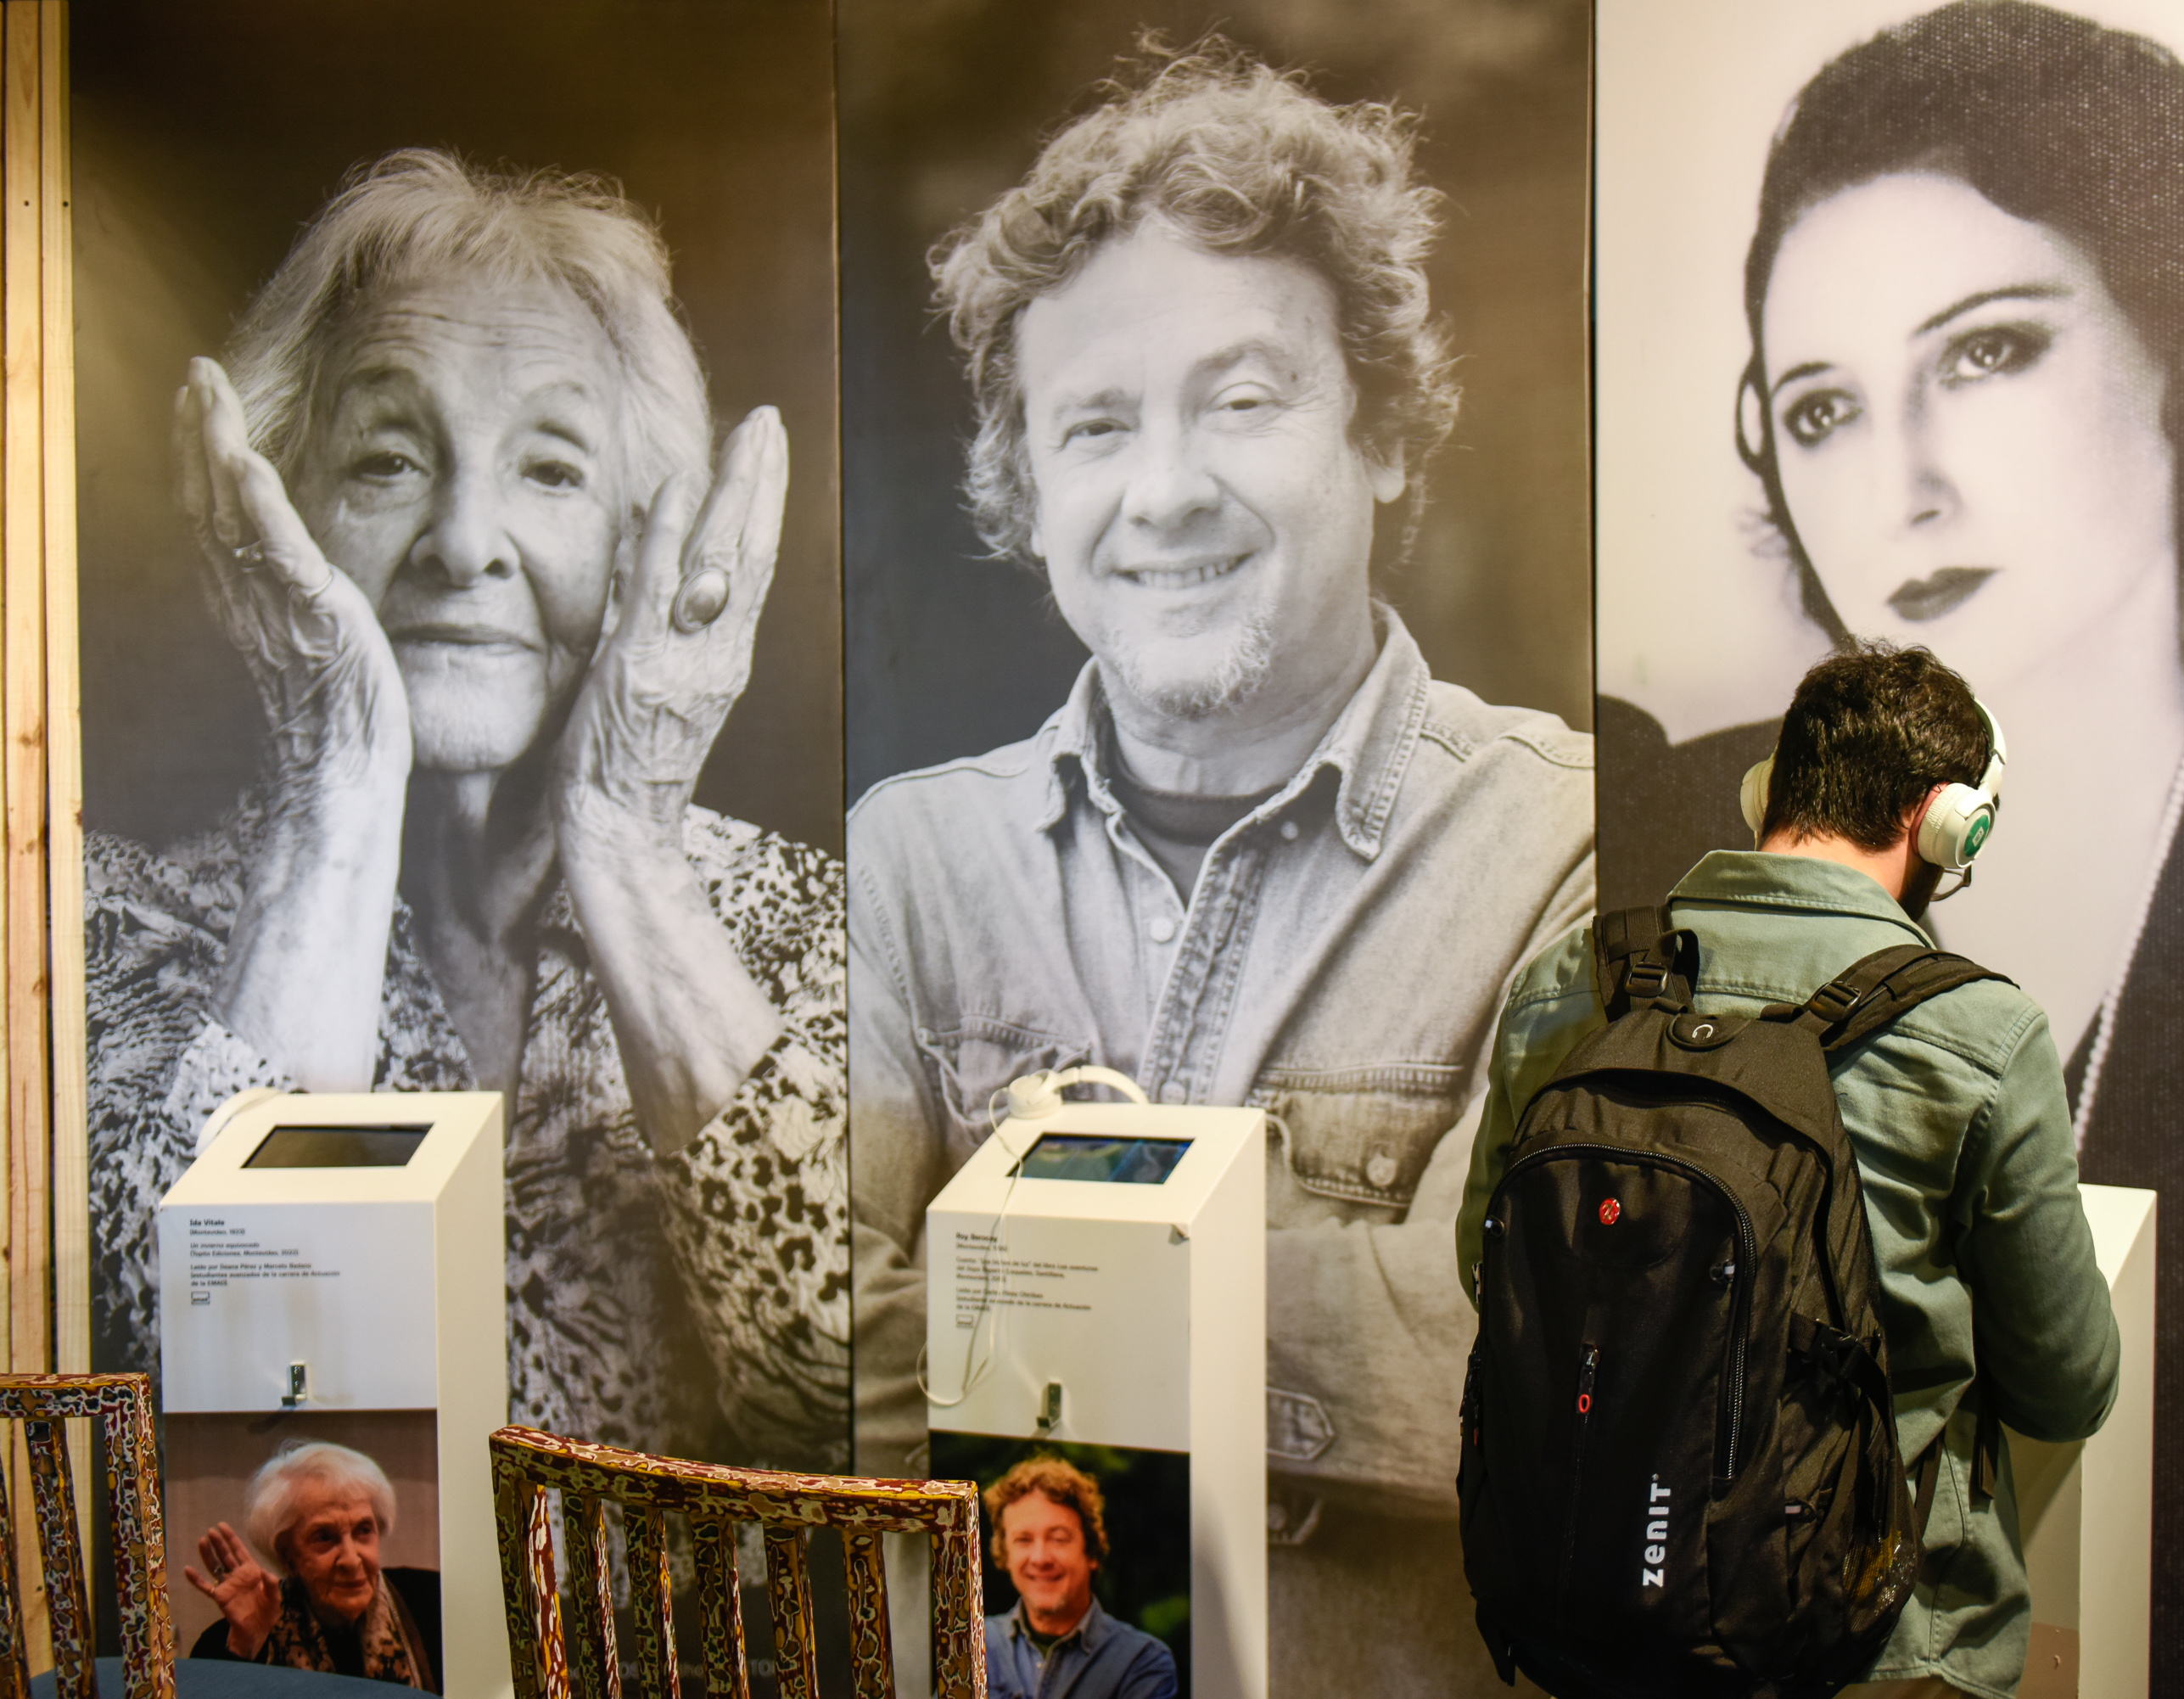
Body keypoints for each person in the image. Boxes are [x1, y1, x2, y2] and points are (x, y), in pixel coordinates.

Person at [1592, 6, 2184, 1692]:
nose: (1904, 481)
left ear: (2181, 341)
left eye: (1987, 352)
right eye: (1822, 410)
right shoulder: (1667, 845)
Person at [848, 39, 1594, 1695]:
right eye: (1096, 424)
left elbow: (1528, 1371)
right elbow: (825, 1362)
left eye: (1242, 401)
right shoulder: (908, 859)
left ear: (1385, 433)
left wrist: (1024, 1290)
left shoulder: (1567, 844)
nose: (1165, 491)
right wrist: (1296, 1301)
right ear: (1029, 493)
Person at [84, 149, 848, 1468]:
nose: (463, 542)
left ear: (641, 544)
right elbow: (198, 1391)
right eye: (388, 457)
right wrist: (336, 790)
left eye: (550, 471)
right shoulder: (114, 932)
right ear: (275, 516)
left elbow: (855, 1404)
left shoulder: (804, 923)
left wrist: (625, 837)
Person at [1464, 645, 2119, 1698]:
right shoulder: (1980, 1035)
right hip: (1870, 1643)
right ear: (1949, 823)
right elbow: (2065, 1385)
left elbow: (1487, 1268)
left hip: (1589, 1620)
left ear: (1768, 791)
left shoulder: (1569, 985)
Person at [184, 1441, 441, 1688]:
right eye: (324, 1538)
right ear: (287, 1557)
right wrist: (245, 1646)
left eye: (363, 1530)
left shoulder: (434, 1605)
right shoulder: (233, 1640)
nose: (351, 1560)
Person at [982, 1456, 1179, 1699]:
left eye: (1059, 1538)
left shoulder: (1142, 1662)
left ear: (1092, 1553)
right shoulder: (975, 1645)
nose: (1041, 1558)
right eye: (1023, 1540)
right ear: (1004, 1555)